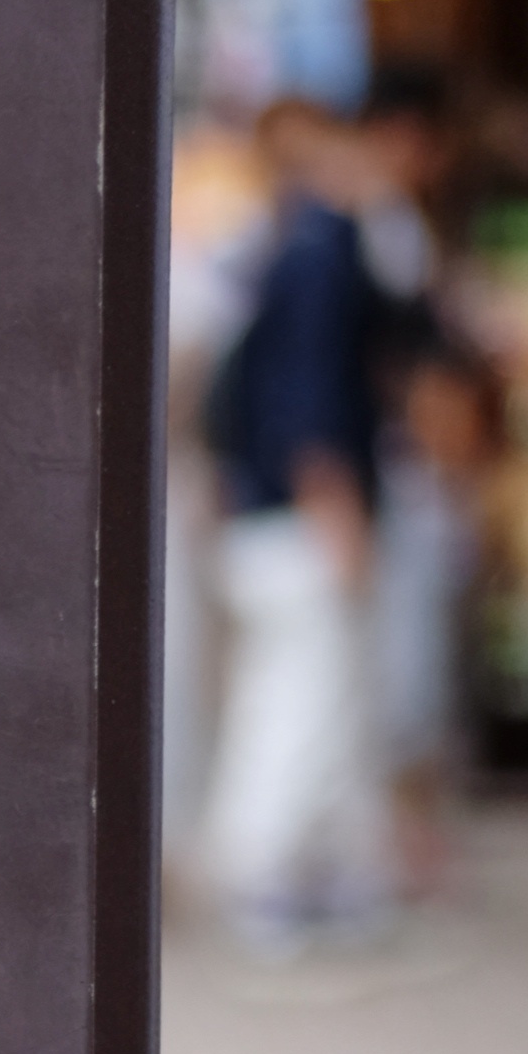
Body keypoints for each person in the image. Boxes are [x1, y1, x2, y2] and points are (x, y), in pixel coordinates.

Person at [196, 97, 394, 953]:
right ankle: (258, 877)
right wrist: (337, 507)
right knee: (298, 704)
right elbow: (306, 397)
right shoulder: (317, 247)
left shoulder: (280, 246)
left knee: (312, 699)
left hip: (266, 514)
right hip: (301, 515)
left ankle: (319, 879)